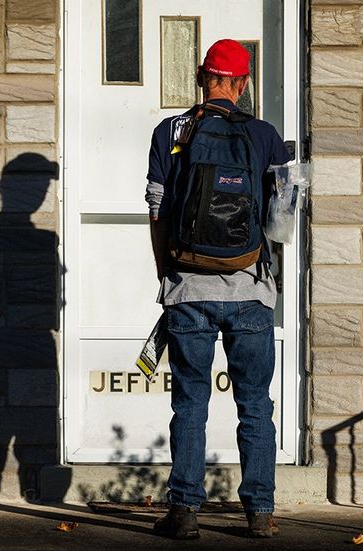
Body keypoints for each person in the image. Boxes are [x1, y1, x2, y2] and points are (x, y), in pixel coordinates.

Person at [145, 39, 292, 539]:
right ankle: (260, 514)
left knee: (189, 402)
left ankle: (184, 513)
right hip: (250, 289)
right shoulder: (265, 136)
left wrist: (168, 274)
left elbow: (157, 209)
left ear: (201, 77)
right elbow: (284, 217)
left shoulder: (170, 132)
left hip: (188, 289)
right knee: (255, 405)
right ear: (243, 84)